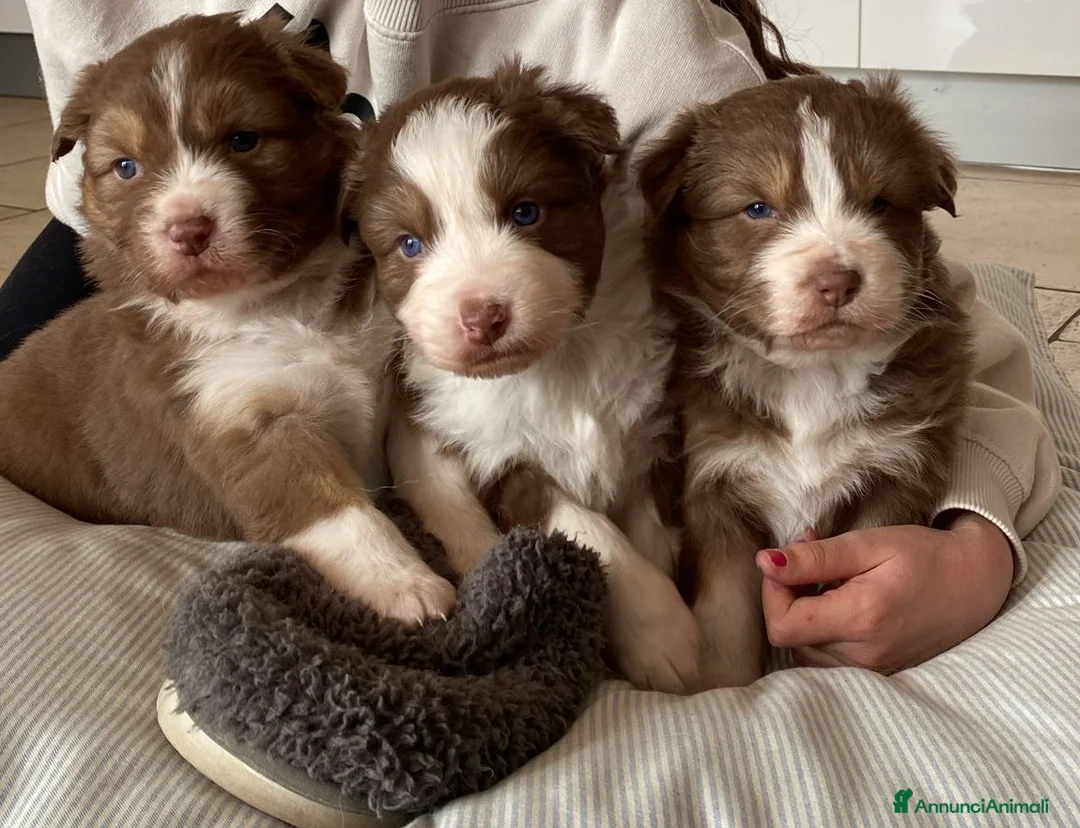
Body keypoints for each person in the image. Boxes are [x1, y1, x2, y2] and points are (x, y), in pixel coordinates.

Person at [10, 0, 1061, 680]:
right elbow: (102, 182)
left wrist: (975, 542)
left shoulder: (643, 38)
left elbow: (891, 283)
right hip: (222, 261)